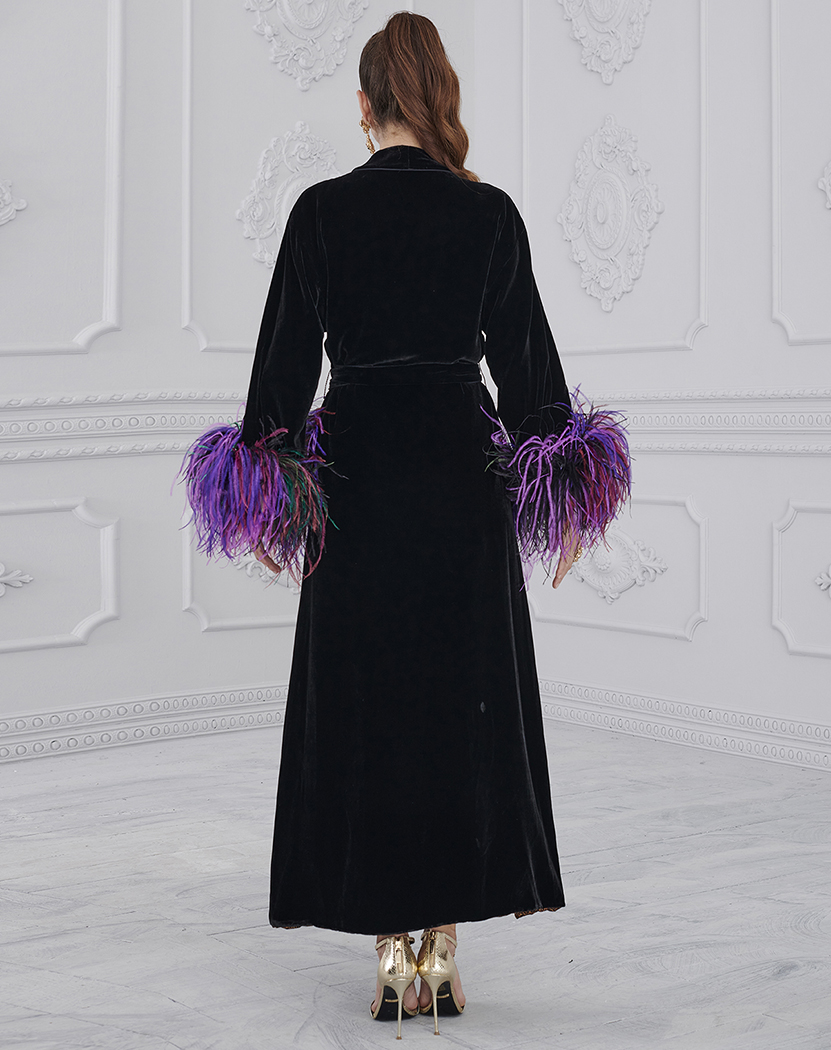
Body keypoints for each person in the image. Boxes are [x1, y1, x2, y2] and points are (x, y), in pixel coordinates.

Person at [181, 11, 630, 1038]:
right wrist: (562, 479)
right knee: (461, 707)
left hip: (358, 484)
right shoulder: (490, 214)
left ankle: (393, 953)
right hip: (462, 482)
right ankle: (443, 948)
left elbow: (279, 379)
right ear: (441, 98)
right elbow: (534, 380)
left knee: (369, 708)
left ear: (363, 104)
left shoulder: (319, 213)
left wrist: (269, 475)